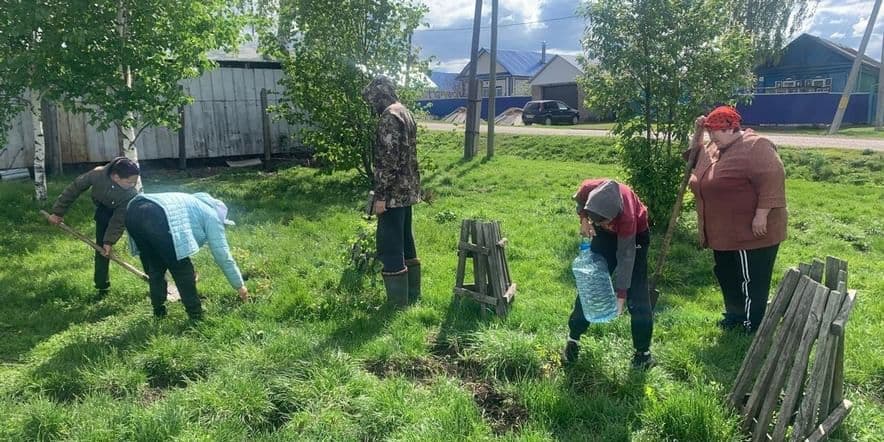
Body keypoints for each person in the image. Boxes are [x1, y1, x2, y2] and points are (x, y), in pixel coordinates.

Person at [688, 106, 787, 332]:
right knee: (726, 274)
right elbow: (693, 159)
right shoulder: (715, 147)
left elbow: (773, 178)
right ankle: (735, 314)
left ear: (733, 128)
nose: (713, 137)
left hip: (751, 233)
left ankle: (752, 324)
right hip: (722, 232)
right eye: (709, 132)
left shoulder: (755, 146)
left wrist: (762, 214)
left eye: (717, 132)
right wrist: (697, 132)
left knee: (751, 279)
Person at [564, 179, 654, 370]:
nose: (601, 225)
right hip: (605, 239)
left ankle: (643, 354)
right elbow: (580, 201)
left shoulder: (627, 217)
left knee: (637, 295)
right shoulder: (590, 189)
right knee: (591, 283)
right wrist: (584, 219)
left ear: (614, 216)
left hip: (635, 236)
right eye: (597, 221)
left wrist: (621, 295)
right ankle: (573, 339)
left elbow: (626, 258)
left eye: (604, 222)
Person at [125, 192, 249, 320]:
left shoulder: (194, 203)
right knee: (182, 269)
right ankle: (195, 314)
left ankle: (158, 310)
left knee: (155, 265)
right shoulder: (213, 216)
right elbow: (222, 254)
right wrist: (239, 285)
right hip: (156, 215)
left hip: (133, 211)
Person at [362, 75, 421, 307]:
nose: (372, 106)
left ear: (379, 96)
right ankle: (413, 295)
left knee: (390, 244)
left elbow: (388, 160)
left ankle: (397, 303)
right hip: (408, 190)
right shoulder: (405, 112)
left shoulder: (389, 116)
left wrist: (381, 197)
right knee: (406, 240)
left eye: (372, 101)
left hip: (393, 194)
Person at [47, 157, 141, 297]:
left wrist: (109, 240)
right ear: (115, 177)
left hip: (130, 212)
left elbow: (119, 220)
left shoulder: (130, 194)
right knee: (102, 250)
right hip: (104, 209)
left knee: (137, 244)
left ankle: (157, 278)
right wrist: (57, 212)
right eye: (129, 182)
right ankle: (102, 286)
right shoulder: (97, 174)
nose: (133, 185)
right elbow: (74, 189)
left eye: (135, 182)